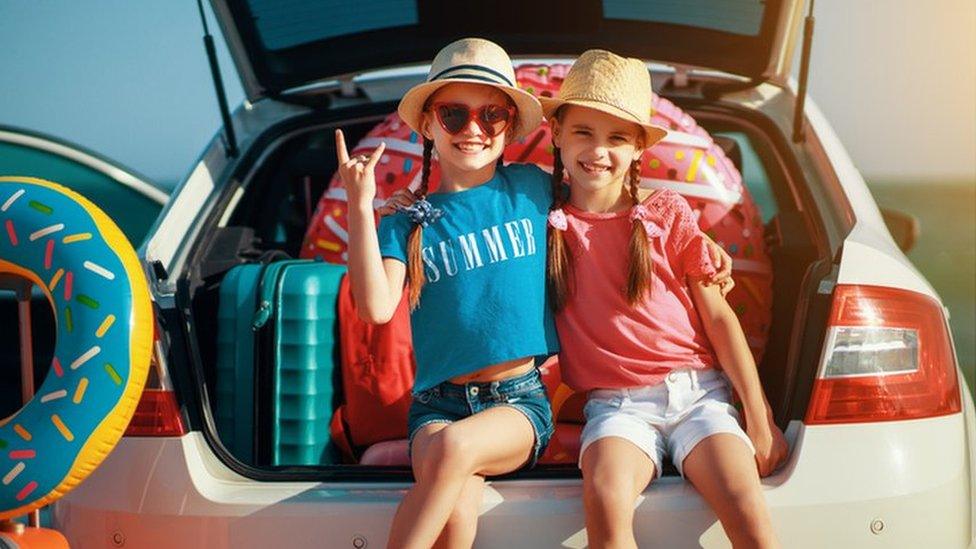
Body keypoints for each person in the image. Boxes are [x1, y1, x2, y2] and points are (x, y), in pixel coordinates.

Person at [542, 50, 789, 549]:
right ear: (557, 135)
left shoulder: (665, 213)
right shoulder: (543, 223)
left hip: (700, 397)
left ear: (638, 149)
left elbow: (719, 320)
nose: (598, 150)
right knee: (606, 503)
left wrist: (758, 417)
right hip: (616, 408)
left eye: (617, 137)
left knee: (747, 511)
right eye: (583, 132)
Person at [338, 37, 558, 549]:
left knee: (455, 452)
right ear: (429, 125)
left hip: (518, 402)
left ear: (508, 124)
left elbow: (610, 196)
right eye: (455, 115)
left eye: (492, 116)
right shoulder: (406, 221)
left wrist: (684, 227)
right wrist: (359, 202)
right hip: (436, 408)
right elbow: (374, 308)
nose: (474, 130)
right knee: (456, 508)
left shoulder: (533, 187)